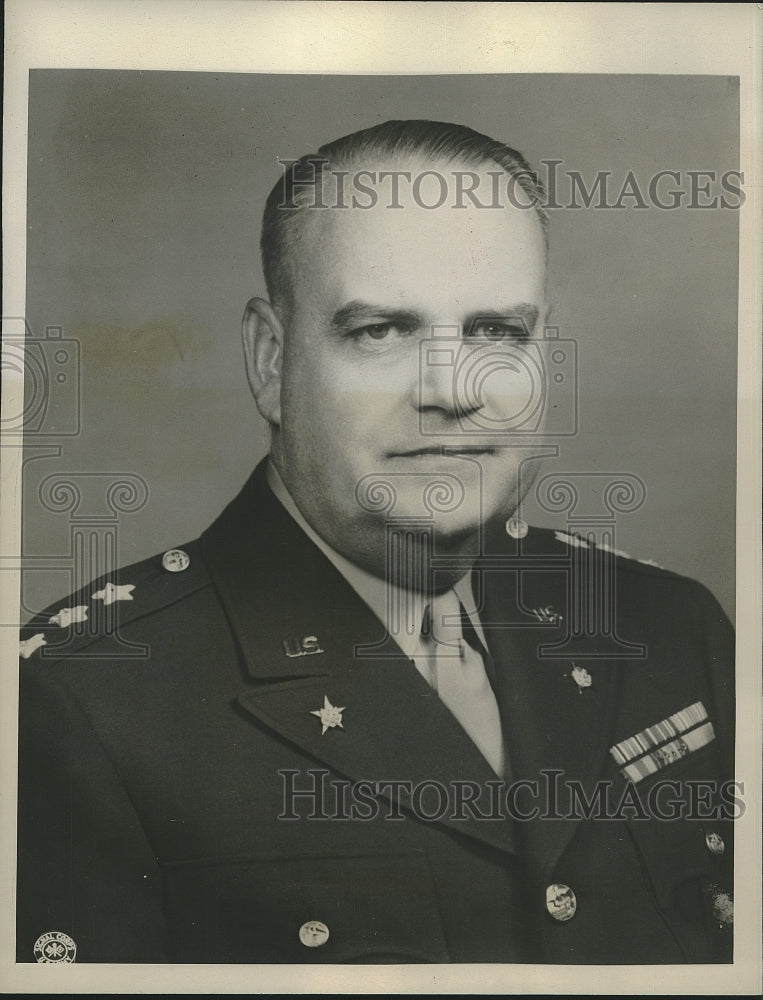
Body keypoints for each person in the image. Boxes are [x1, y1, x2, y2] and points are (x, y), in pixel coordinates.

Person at [16, 120, 735, 965]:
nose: (452, 391)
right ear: (269, 359)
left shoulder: (664, 627)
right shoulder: (85, 702)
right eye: (381, 330)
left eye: (497, 332)